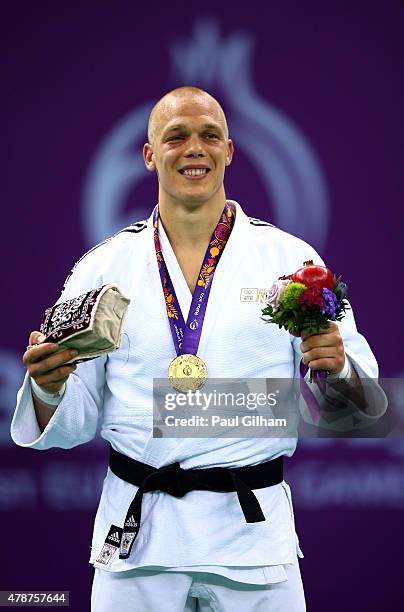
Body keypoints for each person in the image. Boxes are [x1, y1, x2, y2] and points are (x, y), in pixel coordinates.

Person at [11, 86, 386, 611]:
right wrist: (50, 389)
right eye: (176, 137)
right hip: (138, 543)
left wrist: (338, 368)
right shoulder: (102, 267)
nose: (194, 148)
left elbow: (361, 409)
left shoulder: (290, 262)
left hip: (253, 541)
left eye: (210, 135)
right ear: (148, 155)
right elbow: (76, 419)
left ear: (229, 151)